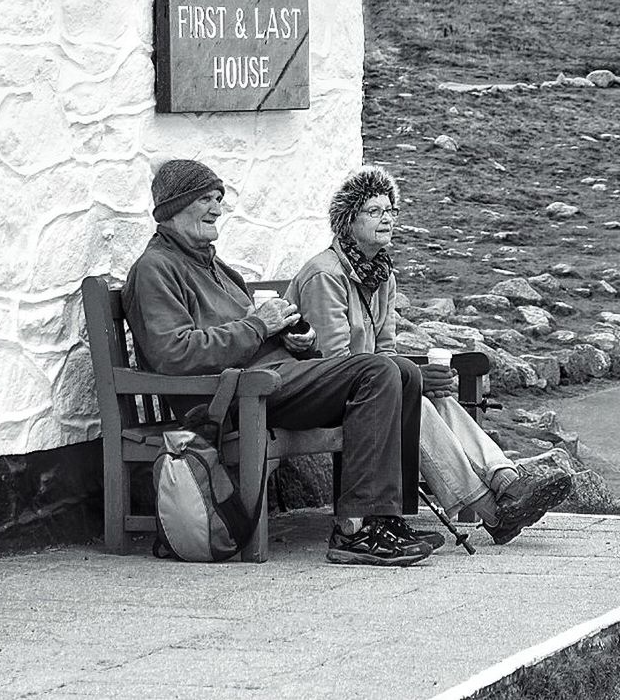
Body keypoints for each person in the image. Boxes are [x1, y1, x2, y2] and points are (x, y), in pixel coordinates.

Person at [123, 159, 438, 567]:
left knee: (403, 372)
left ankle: (386, 519)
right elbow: (173, 354)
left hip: (273, 379)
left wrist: (299, 341)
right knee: (376, 370)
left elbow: (260, 335)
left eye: (219, 199)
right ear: (172, 208)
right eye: (205, 199)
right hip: (234, 396)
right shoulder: (155, 269)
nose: (217, 208)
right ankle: (355, 530)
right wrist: (257, 325)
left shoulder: (215, 266)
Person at [286, 166, 573, 545]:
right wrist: (411, 379)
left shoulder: (381, 275)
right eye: (374, 211)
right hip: (317, 391)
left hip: (365, 386)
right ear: (348, 220)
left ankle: (507, 482)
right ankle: (493, 510)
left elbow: (384, 351)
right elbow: (334, 364)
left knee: (431, 397)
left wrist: (419, 379)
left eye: (390, 211)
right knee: (412, 402)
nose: (386, 218)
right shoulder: (326, 276)